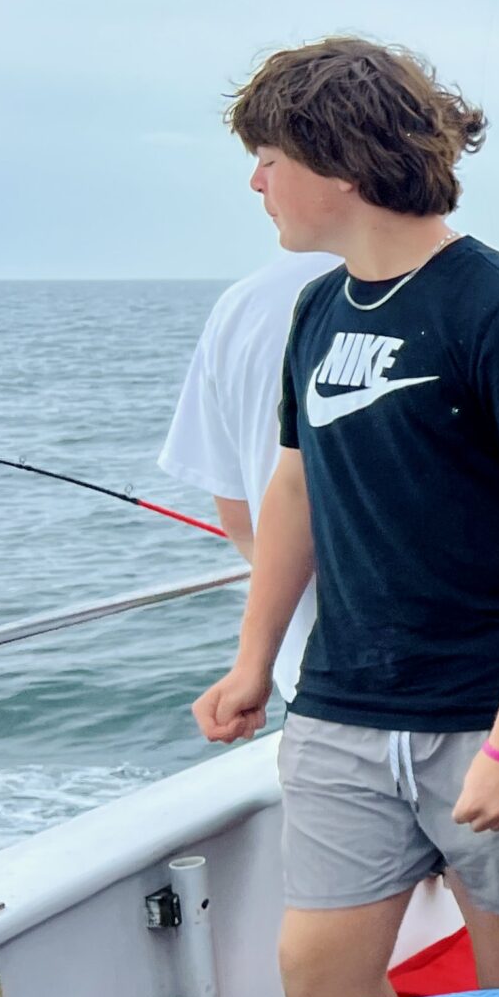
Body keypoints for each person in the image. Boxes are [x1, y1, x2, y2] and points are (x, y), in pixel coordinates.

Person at [191, 37, 499, 997]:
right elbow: (295, 489)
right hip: (346, 707)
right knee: (317, 975)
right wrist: (252, 661)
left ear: (342, 164)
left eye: (272, 156)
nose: (256, 179)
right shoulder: (318, 308)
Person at [159, 247, 335, 703]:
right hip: (471, 685)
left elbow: (239, 515)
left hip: (312, 681)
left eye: (272, 168)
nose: (257, 182)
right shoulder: (488, 295)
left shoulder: (241, 305)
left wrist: (254, 663)